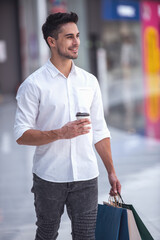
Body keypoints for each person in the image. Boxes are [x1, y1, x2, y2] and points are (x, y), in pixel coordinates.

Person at [14, 12, 121, 240]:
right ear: (52, 41)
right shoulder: (33, 85)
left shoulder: (89, 82)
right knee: (47, 234)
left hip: (86, 177)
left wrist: (111, 171)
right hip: (49, 177)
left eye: (78, 36)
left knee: (86, 236)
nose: (76, 42)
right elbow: (22, 135)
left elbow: (100, 131)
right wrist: (60, 133)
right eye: (69, 37)